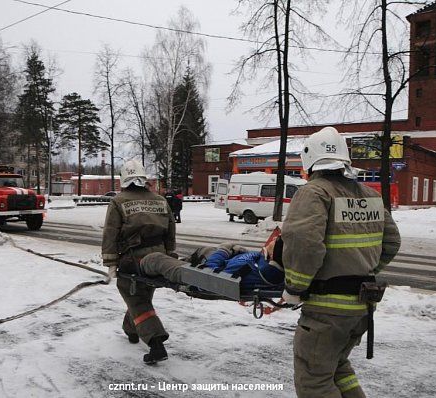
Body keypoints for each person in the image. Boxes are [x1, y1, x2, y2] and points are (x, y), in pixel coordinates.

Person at [281, 127, 401, 398]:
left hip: (327, 310)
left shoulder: (314, 192)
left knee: (314, 380)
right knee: (337, 368)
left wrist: (295, 288)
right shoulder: (370, 195)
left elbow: (304, 244)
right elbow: (392, 243)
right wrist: (362, 272)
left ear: (309, 160)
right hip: (362, 306)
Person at [102, 159, 176, 365]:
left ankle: (156, 343)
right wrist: (169, 255)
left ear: (123, 179)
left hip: (133, 258)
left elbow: (110, 233)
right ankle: (131, 330)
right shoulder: (160, 199)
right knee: (140, 294)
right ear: (143, 178)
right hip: (159, 258)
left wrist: (111, 262)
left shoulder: (118, 201)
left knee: (135, 297)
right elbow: (171, 230)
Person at [138, 237, 285, 289]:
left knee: (155, 258)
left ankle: (137, 267)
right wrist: (238, 252)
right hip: (215, 265)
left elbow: (209, 275)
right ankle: (178, 262)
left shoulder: (257, 268)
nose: (271, 240)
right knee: (206, 249)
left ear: (274, 253)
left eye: (274, 241)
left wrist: (223, 252)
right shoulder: (264, 262)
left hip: (198, 277)